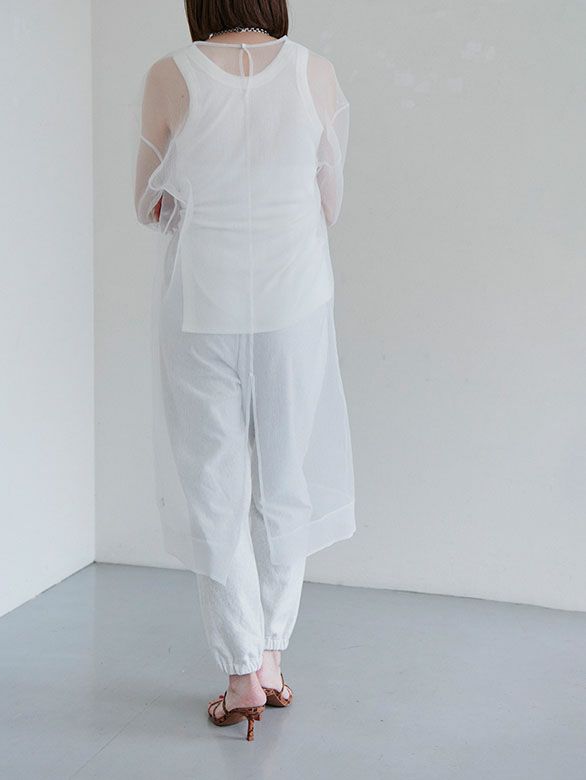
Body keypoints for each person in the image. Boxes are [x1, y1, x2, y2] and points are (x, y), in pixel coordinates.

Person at [134, 0, 354, 741]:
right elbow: (330, 203)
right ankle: (271, 660)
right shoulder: (316, 71)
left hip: (203, 304)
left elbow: (148, 201)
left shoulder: (170, 74)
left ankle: (238, 677)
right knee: (285, 482)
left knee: (214, 487)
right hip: (295, 305)